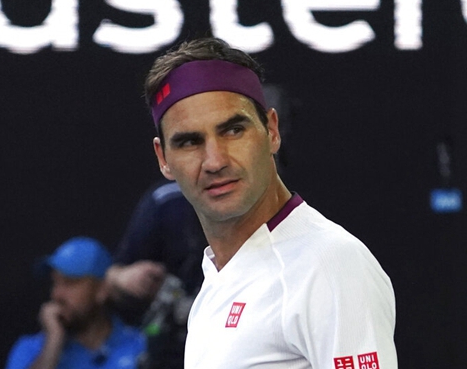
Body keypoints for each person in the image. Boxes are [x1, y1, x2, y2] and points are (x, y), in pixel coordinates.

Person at [142, 38, 397, 368]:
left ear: (272, 130)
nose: (215, 160)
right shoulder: (217, 279)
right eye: (190, 141)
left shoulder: (330, 264)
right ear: (164, 159)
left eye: (234, 130)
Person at [106, 179, 206, 369]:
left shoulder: (264, 199)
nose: (213, 163)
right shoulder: (168, 200)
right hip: (173, 345)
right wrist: (125, 277)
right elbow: (111, 278)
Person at [5, 236, 146, 369]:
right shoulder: (31, 348)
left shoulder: (140, 346)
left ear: (101, 290)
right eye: (55, 283)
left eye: (69, 283)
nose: (56, 294)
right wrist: (53, 343)